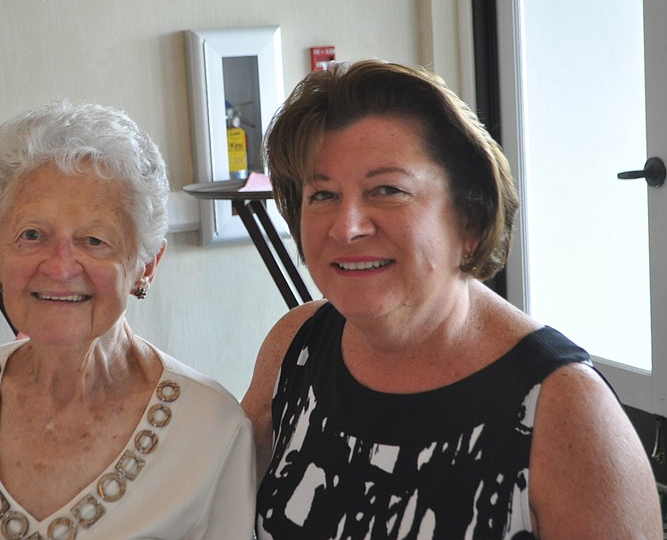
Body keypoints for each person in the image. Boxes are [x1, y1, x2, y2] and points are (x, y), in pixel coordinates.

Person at [242, 60, 662, 539]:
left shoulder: (567, 412)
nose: (347, 226)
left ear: (470, 220)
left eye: (387, 190)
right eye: (323, 195)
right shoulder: (295, 346)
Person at [0, 101, 256, 539]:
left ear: (146, 264)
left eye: (95, 240)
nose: (60, 267)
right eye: (31, 235)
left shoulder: (211, 429)